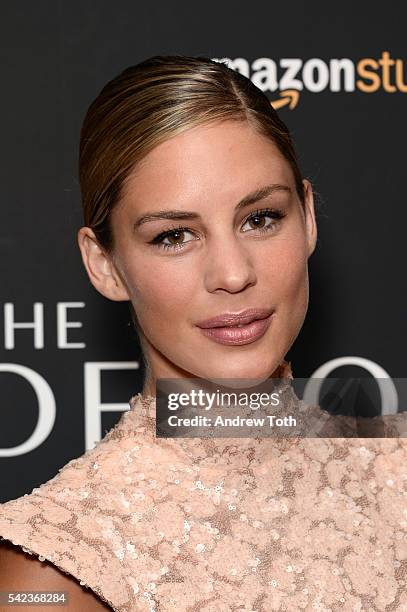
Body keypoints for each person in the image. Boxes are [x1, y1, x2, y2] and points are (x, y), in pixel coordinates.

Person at [0, 55, 406, 612]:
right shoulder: (55, 568)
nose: (233, 274)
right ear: (105, 265)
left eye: (260, 218)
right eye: (173, 236)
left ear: (308, 216)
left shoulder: (397, 466)